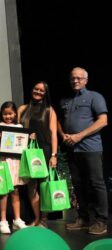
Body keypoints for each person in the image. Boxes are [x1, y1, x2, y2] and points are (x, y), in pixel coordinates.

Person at [58, 67, 108, 235]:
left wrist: (79, 136)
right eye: (73, 78)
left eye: (79, 78)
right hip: (72, 149)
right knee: (78, 185)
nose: (76, 81)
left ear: (86, 80)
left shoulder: (95, 97)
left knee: (96, 183)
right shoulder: (66, 100)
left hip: (91, 148)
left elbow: (103, 121)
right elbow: (58, 120)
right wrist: (62, 134)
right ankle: (84, 218)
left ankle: (101, 221)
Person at [17, 81, 58, 227]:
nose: (38, 92)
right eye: (36, 89)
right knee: (31, 187)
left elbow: (53, 134)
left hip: (45, 151)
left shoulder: (49, 110)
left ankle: (44, 220)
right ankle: (36, 218)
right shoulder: (22, 109)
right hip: (27, 152)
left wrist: (54, 155)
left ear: (45, 93)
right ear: (32, 89)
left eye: (42, 91)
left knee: (44, 187)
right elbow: (14, 129)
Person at [0, 101, 28, 234]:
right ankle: (3, 220)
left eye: (10, 113)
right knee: (3, 192)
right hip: (3, 162)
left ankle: (17, 219)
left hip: (15, 162)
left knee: (15, 191)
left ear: (15, 113)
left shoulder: (19, 126)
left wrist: (30, 137)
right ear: (1, 114)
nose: (8, 116)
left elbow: (22, 144)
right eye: (5, 114)